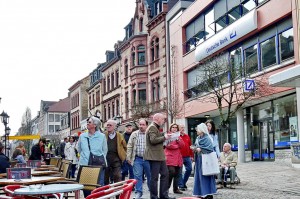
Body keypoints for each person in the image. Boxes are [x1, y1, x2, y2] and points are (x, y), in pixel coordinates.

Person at [144, 113, 174, 199]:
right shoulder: (152, 127)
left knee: (165, 174)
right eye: (162, 119)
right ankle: (154, 196)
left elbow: (156, 139)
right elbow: (153, 140)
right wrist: (165, 137)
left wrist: (165, 137)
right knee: (155, 178)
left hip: (159, 156)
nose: (164, 120)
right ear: (157, 119)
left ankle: (163, 195)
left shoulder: (155, 127)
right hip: (154, 156)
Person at [77, 116, 108, 197]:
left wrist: (96, 157)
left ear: (95, 125)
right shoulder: (82, 136)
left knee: (98, 186)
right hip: (85, 165)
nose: (87, 123)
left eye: (89, 122)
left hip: (98, 165)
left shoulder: (102, 136)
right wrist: (86, 156)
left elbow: (105, 150)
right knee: (86, 186)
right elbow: (78, 148)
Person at [127, 119, 151, 199]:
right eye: (140, 124)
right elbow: (130, 146)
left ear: (146, 125)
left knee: (150, 175)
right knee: (137, 176)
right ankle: (138, 192)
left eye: (143, 124)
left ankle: (152, 191)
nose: (141, 126)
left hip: (148, 159)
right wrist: (129, 158)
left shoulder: (150, 134)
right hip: (137, 158)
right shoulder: (134, 134)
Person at [192, 123, 217, 199]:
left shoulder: (207, 138)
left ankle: (208, 193)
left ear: (201, 130)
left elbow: (210, 148)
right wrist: (195, 148)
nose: (196, 130)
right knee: (199, 176)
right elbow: (197, 146)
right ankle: (200, 192)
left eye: (198, 129)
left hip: (206, 160)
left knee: (205, 176)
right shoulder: (198, 138)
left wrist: (200, 149)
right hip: (199, 160)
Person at [104, 119, 127, 185]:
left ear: (114, 126)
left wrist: (123, 156)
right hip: (106, 159)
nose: (108, 126)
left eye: (110, 125)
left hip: (116, 159)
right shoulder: (103, 135)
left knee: (118, 176)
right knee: (105, 178)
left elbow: (125, 147)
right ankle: (107, 193)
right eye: (107, 125)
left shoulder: (119, 136)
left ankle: (118, 194)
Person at [165, 123, 185, 194]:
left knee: (177, 173)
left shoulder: (178, 136)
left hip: (178, 158)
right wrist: (177, 146)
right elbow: (168, 146)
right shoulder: (168, 136)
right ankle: (166, 188)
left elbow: (183, 145)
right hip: (170, 157)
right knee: (171, 172)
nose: (174, 128)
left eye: (176, 127)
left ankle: (175, 189)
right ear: (170, 128)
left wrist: (178, 140)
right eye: (173, 127)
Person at [178, 124, 193, 191]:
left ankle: (183, 183)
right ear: (178, 128)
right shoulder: (177, 136)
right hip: (180, 156)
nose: (183, 129)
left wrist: (192, 155)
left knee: (189, 169)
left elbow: (190, 146)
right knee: (180, 172)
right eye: (181, 127)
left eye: (183, 127)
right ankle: (181, 185)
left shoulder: (187, 136)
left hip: (187, 156)